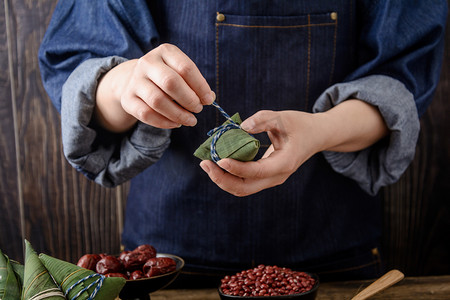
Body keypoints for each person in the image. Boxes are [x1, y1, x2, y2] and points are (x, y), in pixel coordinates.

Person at [38, 0, 447, 285]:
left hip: (336, 254)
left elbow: (401, 82)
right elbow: (79, 66)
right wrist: (126, 85)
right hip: (168, 263)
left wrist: (320, 131)